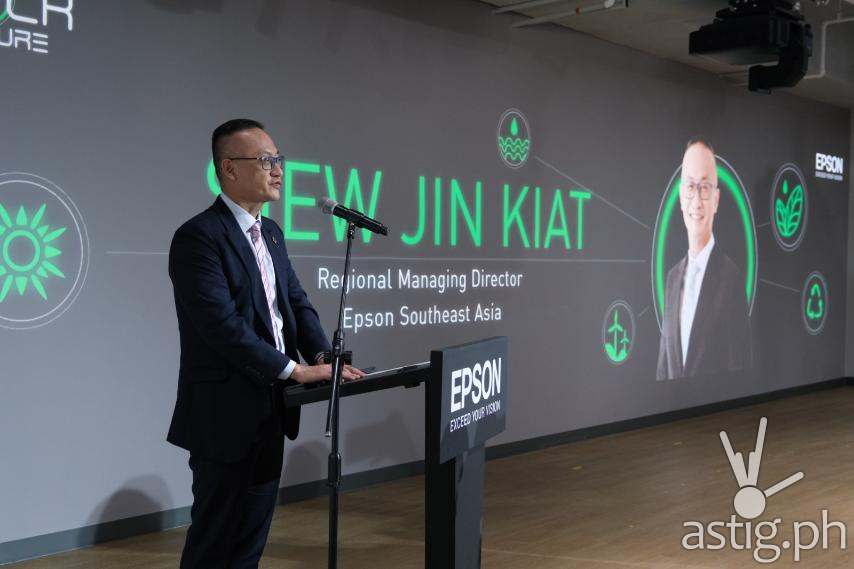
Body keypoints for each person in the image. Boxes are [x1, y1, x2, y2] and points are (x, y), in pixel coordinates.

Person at [167, 118, 364, 568]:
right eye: (266, 160)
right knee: (214, 546)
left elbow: (294, 302)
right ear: (229, 168)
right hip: (223, 416)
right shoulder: (199, 237)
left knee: (248, 546)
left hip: (271, 410)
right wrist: (295, 370)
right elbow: (221, 327)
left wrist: (322, 355)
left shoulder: (271, 232)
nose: (278, 170)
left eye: (279, 159)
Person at [656, 139, 751, 381]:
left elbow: (738, 372)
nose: (697, 201)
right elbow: (663, 369)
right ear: (681, 196)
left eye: (705, 187)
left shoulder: (732, 279)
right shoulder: (671, 279)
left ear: (716, 200)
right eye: (690, 186)